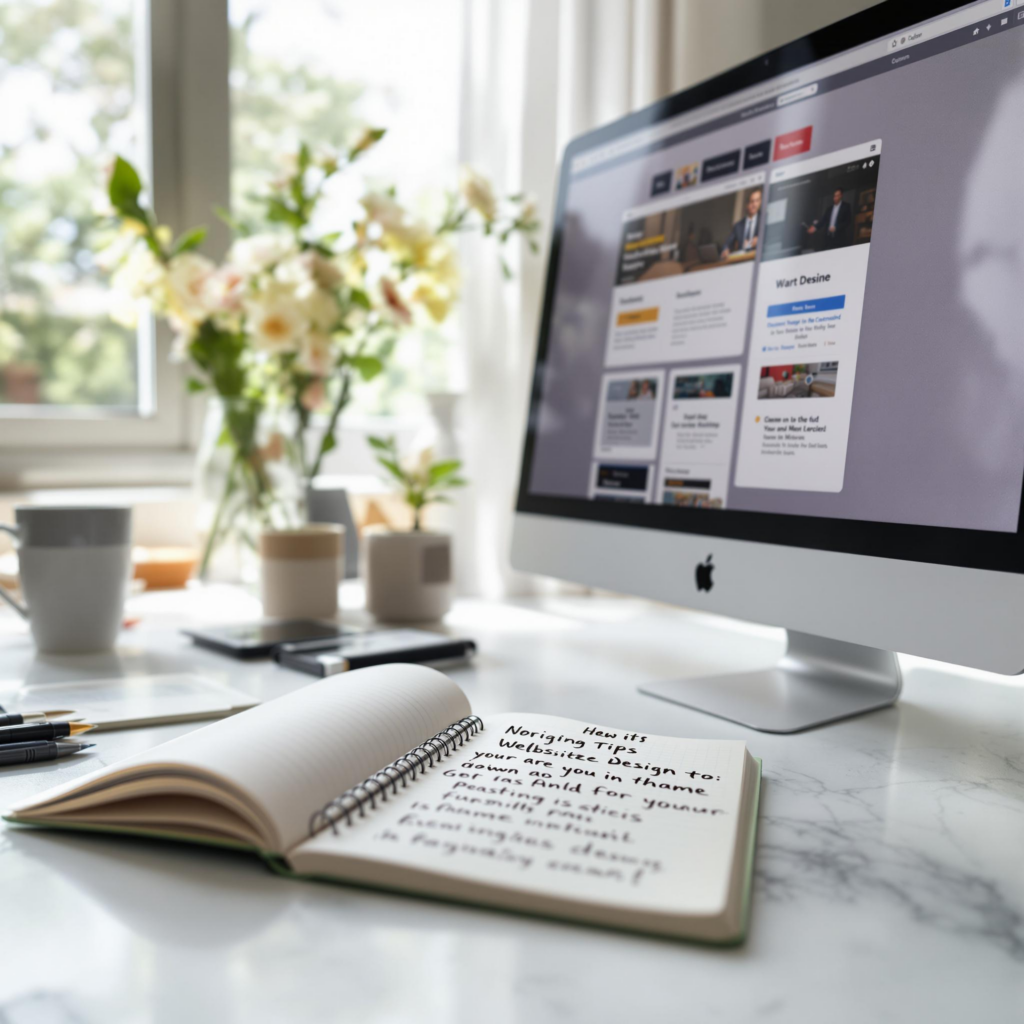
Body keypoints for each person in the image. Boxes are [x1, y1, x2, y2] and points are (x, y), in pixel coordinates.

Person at [721, 188, 762, 258]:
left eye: (757, 201)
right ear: (747, 204)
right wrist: (725, 250)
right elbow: (727, 244)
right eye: (752, 201)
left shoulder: (764, 219)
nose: (754, 204)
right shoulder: (738, 226)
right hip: (741, 260)